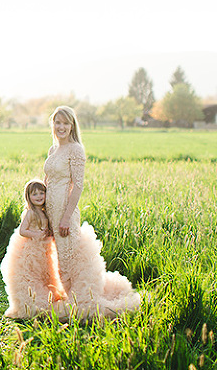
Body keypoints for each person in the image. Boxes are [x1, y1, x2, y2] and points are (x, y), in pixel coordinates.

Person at [44, 105, 141, 318]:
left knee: (68, 258)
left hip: (64, 211)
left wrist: (66, 216)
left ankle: (77, 299)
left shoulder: (75, 149)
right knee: (58, 257)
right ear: (53, 124)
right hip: (50, 211)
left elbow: (77, 185)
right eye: (57, 122)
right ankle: (67, 295)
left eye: (65, 123)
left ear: (72, 126)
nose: (61, 127)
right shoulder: (53, 150)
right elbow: (48, 179)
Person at [0, 179, 65, 319]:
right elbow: (23, 231)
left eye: (42, 193)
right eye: (35, 194)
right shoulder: (30, 213)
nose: (39, 196)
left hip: (44, 249)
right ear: (28, 197)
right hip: (32, 249)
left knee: (46, 272)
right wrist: (36, 234)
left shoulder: (44, 211)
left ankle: (50, 295)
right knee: (32, 274)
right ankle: (33, 300)